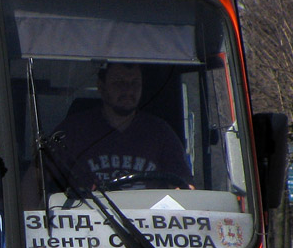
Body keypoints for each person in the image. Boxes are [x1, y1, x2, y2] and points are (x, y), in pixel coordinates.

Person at [50, 62, 192, 190]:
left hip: (146, 217)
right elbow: (36, 178)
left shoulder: (161, 133)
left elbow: (183, 188)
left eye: (135, 83)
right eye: (119, 82)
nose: (128, 90)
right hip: (90, 216)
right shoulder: (74, 129)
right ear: (101, 86)